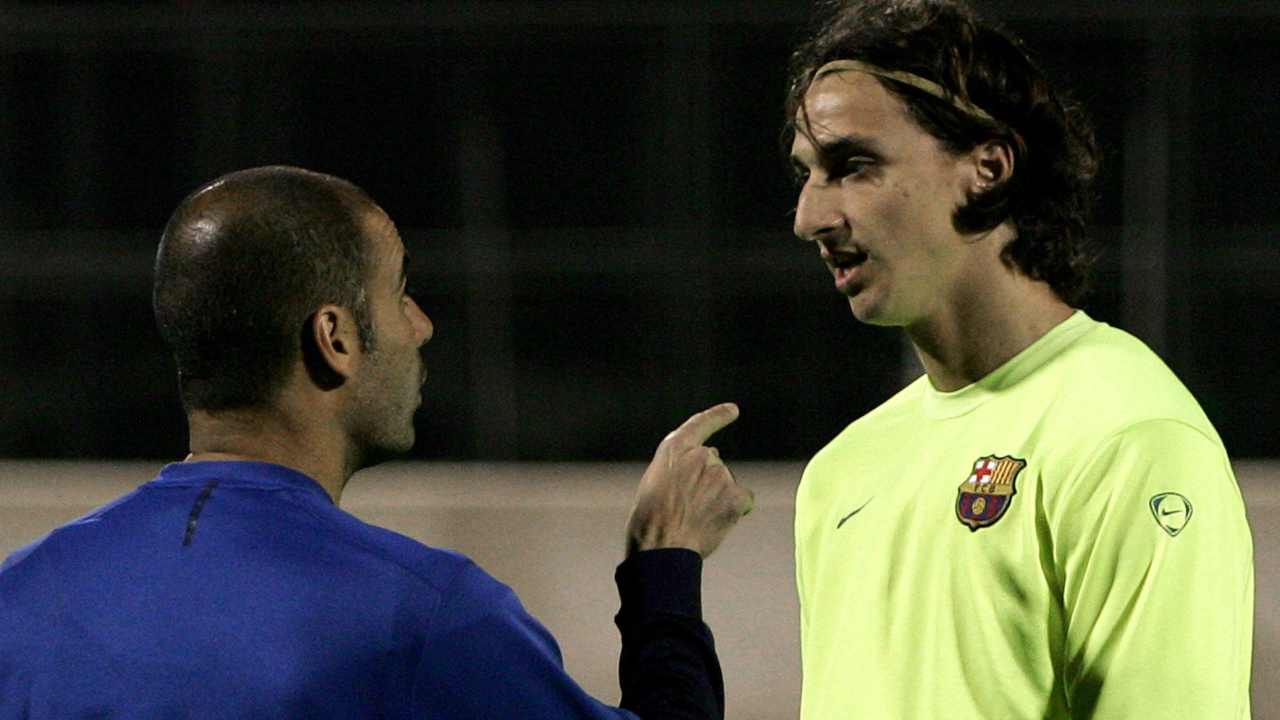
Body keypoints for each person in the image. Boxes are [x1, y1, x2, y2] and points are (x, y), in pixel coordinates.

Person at [0, 166, 754, 719]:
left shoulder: (20, 595)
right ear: (334, 338)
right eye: (399, 293)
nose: (421, 326)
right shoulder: (421, 615)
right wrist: (664, 566)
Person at [784, 1, 1253, 718]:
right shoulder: (842, 470)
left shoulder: (1128, 437)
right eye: (808, 174)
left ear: (988, 167)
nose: (810, 218)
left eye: (853, 166)